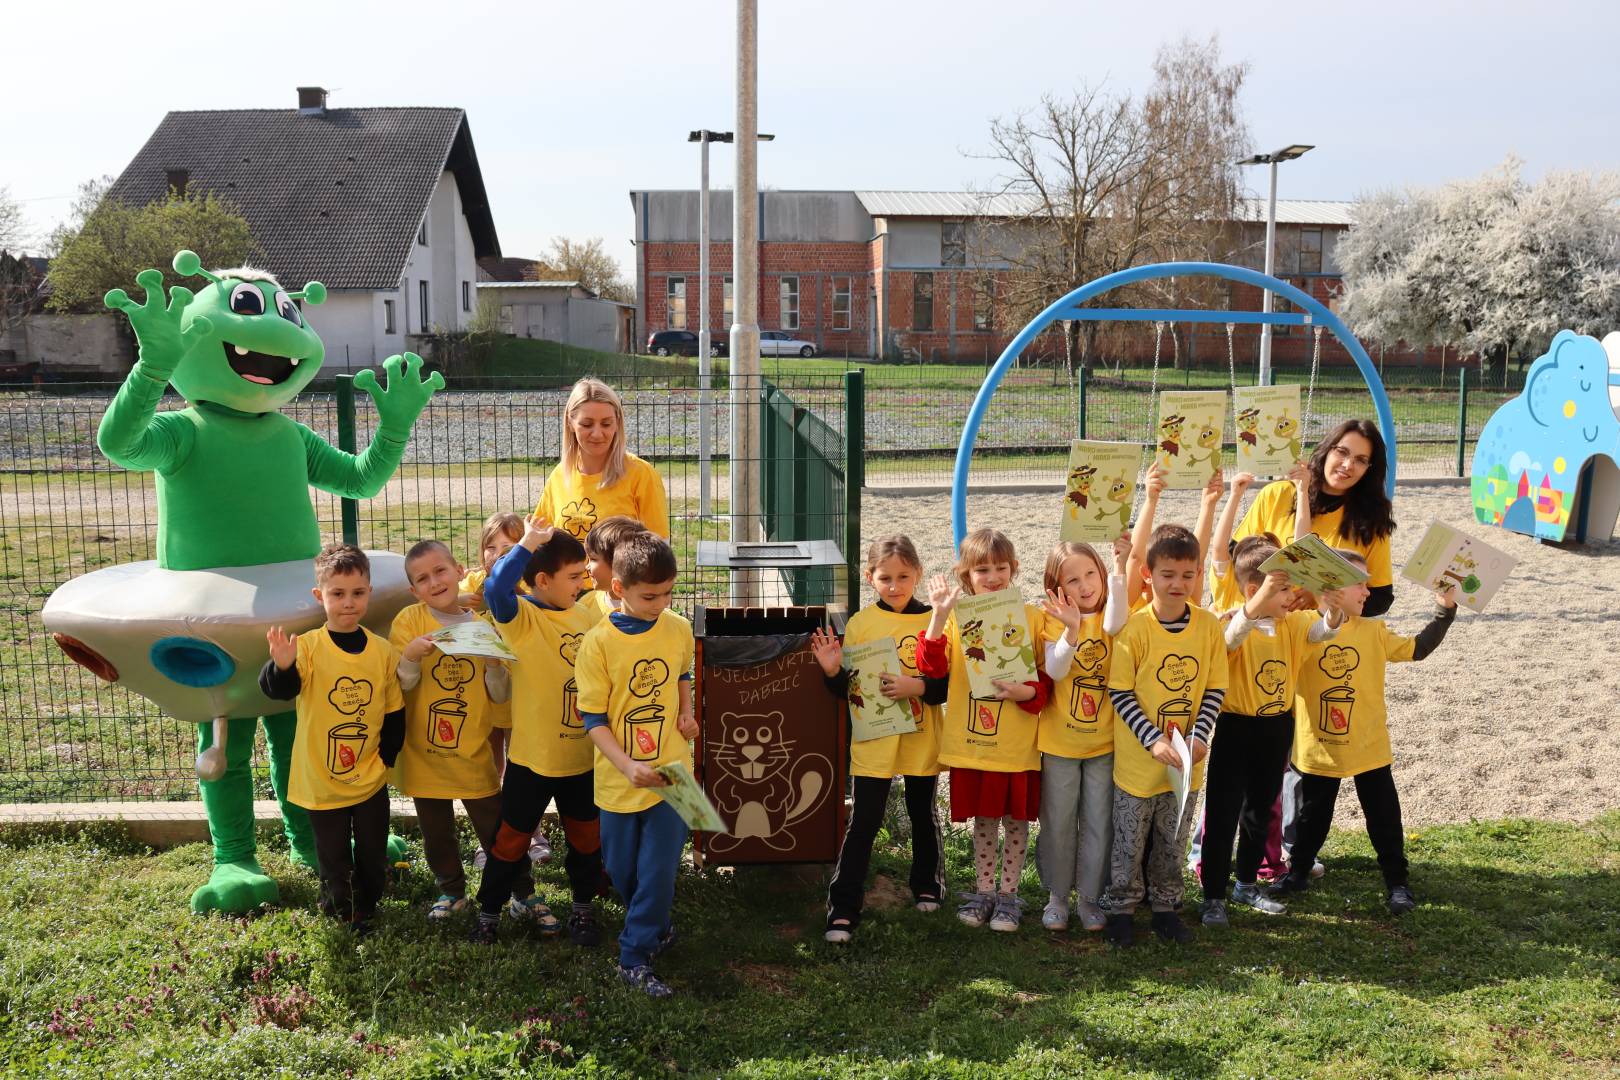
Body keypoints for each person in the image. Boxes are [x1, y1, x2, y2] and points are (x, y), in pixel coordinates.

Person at [1269, 552, 1458, 915]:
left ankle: (1397, 882)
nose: (1369, 591)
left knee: (1383, 816)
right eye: (1360, 582)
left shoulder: (1374, 630)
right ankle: (1298, 872)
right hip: (1319, 746)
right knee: (1312, 817)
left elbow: (1418, 649)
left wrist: (1443, 610)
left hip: (1369, 746)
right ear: (1331, 587)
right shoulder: (1301, 626)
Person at [469, 517, 604, 946]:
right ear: (542, 581)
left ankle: (582, 911)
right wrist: (527, 542)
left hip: (582, 759)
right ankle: (488, 914)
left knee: (586, 840)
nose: (580, 584)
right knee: (510, 843)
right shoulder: (522, 618)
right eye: (572, 577)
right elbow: (495, 590)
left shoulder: (585, 613)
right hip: (532, 760)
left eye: (583, 574)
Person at [1197, 536, 1342, 928]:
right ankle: (1213, 895)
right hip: (1234, 728)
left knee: (1261, 811)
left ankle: (1246, 882)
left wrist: (1332, 608)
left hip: (1277, 727)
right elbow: (1229, 640)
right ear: (1253, 590)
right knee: (1224, 814)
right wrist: (1253, 606)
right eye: (1285, 589)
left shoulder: (1293, 623)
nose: (1294, 597)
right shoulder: (1231, 622)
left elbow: (1323, 631)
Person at [810, 535, 948, 945]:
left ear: (918, 574)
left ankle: (928, 884)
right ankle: (844, 906)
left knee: (923, 812)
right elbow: (848, 693)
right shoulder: (860, 624)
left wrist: (916, 686)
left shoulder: (934, 620)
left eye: (904, 576)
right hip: (875, 742)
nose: (895, 585)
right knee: (865, 821)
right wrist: (833, 671)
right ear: (870, 578)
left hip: (921, 737)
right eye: (885, 577)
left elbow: (944, 688)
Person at [260, 544, 404, 936]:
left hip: (369, 776)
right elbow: (278, 690)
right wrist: (282, 665)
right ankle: (341, 908)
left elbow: (393, 710)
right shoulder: (306, 647)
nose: (348, 603)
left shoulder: (382, 651)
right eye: (337, 594)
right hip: (321, 781)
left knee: (373, 853)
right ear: (319, 596)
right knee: (334, 856)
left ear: (368, 593)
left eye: (357, 593)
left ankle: (369, 903)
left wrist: (387, 757)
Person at [577, 531, 696, 999]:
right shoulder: (598, 644)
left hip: (674, 774)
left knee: (660, 870)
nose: (661, 603)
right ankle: (656, 927)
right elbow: (593, 720)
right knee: (624, 872)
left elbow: (683, 674)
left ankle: (633, 956)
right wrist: (626, 766)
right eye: (650, 596)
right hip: (618, 780)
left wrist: (687, 714)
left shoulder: (679, 628)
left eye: (668, 593)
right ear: (618, 589)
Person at [916, 528, 1051, 934]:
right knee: (984, 821)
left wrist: (1023, 691)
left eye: (1000, 567)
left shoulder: (1031, 617)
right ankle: (984, 891)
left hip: (1017, 745)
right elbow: (932, 670)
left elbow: (1045, 685)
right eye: (982, 569)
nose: (992, 576)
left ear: (1013, 569)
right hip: (974, 743)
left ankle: (1008, 897)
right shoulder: (957, 619)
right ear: (966, 574)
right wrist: (939, 616)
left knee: (1014, 822)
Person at [1101, 525, 1228, 947]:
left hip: (1186, 765)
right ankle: (1120, 908)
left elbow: (1214, 686)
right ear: (1149, 576)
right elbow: (1120, 691)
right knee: (1129, 842)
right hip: (1138, 766)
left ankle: (1165, 907)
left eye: (1188, 575)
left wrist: (1198, 734)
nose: (1179, 584)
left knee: (1172, 843)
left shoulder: (1208, 626)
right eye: (1169, 574)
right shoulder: (1135, 629)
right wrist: (1152, 739)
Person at [389, 539, 529, 921]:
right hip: (424, 753)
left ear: (459, 572)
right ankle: (451, 891)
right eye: (423, 578)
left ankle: (521, 891)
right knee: (436, 832)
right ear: (413, 590)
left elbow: (500, 695)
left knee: (494, 827)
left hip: (472, 752)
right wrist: (410, 656)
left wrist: (495, 666)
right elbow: (400, 685)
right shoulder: (409, 623)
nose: (434, 582)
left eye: (440, 571)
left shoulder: (483, 628)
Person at [1035, 535, 1130, 932]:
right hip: (1059, 743)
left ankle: (1091, 897)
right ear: (1056, 587)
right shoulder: (1048, 619)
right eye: (1072, 580)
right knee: (1057, 820)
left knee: (1098, 821)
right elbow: (1055, 671)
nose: (1085, 585)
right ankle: (1058, 895)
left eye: (1091, 573)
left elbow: (1114, 620)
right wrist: (1070, 631)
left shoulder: (1116, 617)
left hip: (1104, 744)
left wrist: (1122, 567)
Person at [460, 512, 550, 869]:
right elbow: (444, 607)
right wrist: (456, 603)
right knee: (491, 765)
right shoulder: (473, 586)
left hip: (522, 696)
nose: (498, 555)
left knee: (523, 768)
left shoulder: (531, 589)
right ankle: (492, 836)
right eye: (490, 547)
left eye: (509, 548)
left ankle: (533, 831)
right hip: (484, 696)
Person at [534, 379, 670, 584]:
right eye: (587, 424)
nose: (597, 433)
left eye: (606, 424)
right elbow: (539, 543)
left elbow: (659, 553)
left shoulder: (641, 474)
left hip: (619, 603)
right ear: (570, 423)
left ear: (617, 422)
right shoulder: (560, 475)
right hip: (569, 602)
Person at [582, 516, 649, 619]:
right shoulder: (585, 606)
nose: (587, 567)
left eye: (593, 559)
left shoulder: (652, 610)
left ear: (618, 564)